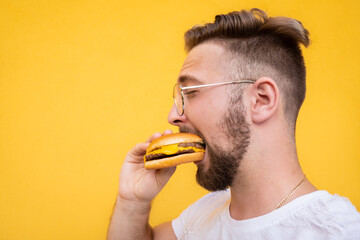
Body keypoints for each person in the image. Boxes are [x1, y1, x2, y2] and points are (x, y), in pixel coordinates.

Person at [107, 8, 360, 240]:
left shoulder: (337, 231)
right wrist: (132, 202)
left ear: (261, 100)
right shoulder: (205, 212)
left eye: (191, 92)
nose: (173, 115)